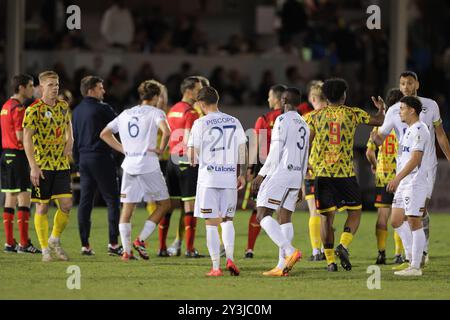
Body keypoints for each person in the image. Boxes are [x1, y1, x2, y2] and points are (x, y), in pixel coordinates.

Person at [371, 71, 450, 268]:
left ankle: (420, 254)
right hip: (404, 169)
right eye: (402, 83)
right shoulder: (394, 111)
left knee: (418, 213)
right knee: (398, 219)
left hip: (425, 167)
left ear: (417, 84)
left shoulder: (430, 105)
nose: (405, 87)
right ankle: (411, 254)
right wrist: (376, 137)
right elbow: (381, 137)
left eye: (409, 83)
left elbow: (440, 135)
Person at [308, 78, 385, 272]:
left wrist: (306, 164)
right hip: (345, 174)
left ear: (324, 96)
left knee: (326, 218)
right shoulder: (353, 113)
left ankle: (330, 262)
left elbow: (307, 143)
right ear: (344, 95)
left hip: (322, 174)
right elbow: (379, 121)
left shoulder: (313, 117)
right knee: (355, 211)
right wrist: (381, 108)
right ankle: (343, 244)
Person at [100, 80, 171, 261]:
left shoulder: (126, 113)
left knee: (127, 208)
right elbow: (167, 131)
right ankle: (140, 240)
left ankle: (126, 251)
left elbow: (104, 134)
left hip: (129, 164)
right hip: (148, 164)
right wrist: (161, 149)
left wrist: (123, 149)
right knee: (164, 205)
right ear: (155, 97)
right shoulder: (156, 112)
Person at [187, 86, 247, 276]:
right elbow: (242, 150)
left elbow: (191, 156)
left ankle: (215, 267)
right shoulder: (234, 120)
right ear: (217, 100)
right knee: (227, 220)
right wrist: (242, 173)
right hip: (229, 177)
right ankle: (230, 258)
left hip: (209, 179)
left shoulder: (200, 123)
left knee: (211, 223)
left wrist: (193, 158)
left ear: (201, 103)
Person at [252, 87, 309, 276]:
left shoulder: (282, 120)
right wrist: (300, 183)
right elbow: (305, 156)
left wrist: (261, 174)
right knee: (284, 218)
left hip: (281, 173)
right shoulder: (304, 123)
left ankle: (290, 251)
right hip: (295, 175)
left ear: (284, 100)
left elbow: (275, 151)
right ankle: (281, 266)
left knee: (262, 214)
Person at [23, 71, 74, 262]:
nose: (55, 88)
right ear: (41, 87)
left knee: (67, 204)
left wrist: (71, 140)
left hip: (60, 164)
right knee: (42, 207)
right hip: (42, 164)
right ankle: (45, 248)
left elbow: (69, 126)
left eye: (57, 84)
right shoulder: (33, 110)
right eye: (51, 85)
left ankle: (54, 239)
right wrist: (33, 167)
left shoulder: (63, 106)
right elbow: (27, 139)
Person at [379, 96, 432, 276]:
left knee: (414, 221)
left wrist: (397, 178)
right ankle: (411, 259)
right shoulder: (409, 130)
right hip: (404, 182)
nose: (399, 111)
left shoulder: (419, 129)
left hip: (414, 182)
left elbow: (416, 159)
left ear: (412, 110)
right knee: (395, 220)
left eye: (402, 108)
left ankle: (415, 266)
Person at [72, 76, 122, 256]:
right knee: (112, 200)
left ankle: (85, 245)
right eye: (100, 88)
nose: (104, 91)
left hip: (83, 160)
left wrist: (77, 162)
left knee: (85, 202)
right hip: (101, 158)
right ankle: (114, 244)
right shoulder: (103, 109)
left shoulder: (76, 111)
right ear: (91, 90)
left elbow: (74, 139)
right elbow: (119, 127)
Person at [164, 75, 209, 256]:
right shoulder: (191, 112)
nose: (200, 92)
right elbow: (192, 138)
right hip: (186, 159)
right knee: (190, 206)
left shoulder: (172, 109)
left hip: (172, 159)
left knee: (171, 205)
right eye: (198, 89)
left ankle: (162, 247)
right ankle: (190, 249)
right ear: (189, 91)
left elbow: (168, 135)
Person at [244, 84, 286, 258]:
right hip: (285, 168)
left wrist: (249, 168)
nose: (268, 99)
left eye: (270, 96)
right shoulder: (293, 119)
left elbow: (254, 145)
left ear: (276, 99)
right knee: (283, 211)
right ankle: (284, 250)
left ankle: (250, 249)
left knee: (258, 209)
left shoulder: (264, 119)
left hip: (265, 168)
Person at [1, 74, 40, 254]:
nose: (33, 89)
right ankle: (24, 243)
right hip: (18, 156)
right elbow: (20, 137)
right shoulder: (19, 109)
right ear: (22, 88)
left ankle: (10, 243)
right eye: (31, 86)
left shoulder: (5, 107)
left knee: (10, 198)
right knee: (24, 198)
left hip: (6, 155)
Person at [365, 88, 405, 265]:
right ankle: (398, 253)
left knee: (383, 215)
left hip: (383, 175)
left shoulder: (379, 126)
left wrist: (374, 165)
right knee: (401, 216)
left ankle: (381, 252)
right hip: (401, 175)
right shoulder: (405, 123)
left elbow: (369, 152)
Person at [301, 80, 326, 261]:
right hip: (332, 170)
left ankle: (316, 251)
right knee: (327, 212)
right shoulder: (337, 116)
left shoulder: (308, 118)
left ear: (313, 98)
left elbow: (303, 145)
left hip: (311, 168)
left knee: (313, 211)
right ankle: (328, 250)